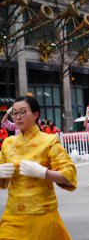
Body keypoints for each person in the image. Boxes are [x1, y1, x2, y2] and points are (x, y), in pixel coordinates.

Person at [0, 96, 77, 239]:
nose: (17, 117)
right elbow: (2, 184)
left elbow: (69, 175)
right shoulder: (7, 143)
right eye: (15, 113)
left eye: (23, 112)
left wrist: (43, 173)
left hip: (41, 213)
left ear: (36, 115)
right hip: (12, 214)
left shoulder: (48, 141)